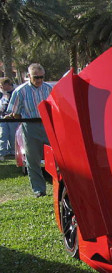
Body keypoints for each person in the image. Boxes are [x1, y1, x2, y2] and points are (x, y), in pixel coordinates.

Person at [5, 63, 52, 197]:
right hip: (30, 125)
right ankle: (39, 189)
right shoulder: (20, 91)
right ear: (29, 76)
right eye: (36, 77)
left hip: (47, 124)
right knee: (33, 160)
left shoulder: (48, 89)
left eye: (41, 77)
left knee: (56, 156)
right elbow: (14, 112)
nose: (39, 80)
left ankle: (60, 185)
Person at [0, 77, 17, 160]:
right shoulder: (4, 94)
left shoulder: (15, 93)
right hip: (3, 118)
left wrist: (10, 114)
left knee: (13, 136)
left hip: (13, 118)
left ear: (7, 84)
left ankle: (13, 152)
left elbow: (16, 106)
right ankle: (2, 153)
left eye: (2, 85)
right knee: (3, 135)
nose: (1, 87)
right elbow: (2, 105)